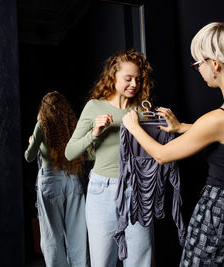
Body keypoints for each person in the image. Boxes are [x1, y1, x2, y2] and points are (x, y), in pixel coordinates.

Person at [122, 22, 224, 266]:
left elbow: (161, 155)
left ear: (214, 64)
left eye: (197, 64)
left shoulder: (219, 118)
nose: (199, 70)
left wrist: (133, 127)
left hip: (220, 213)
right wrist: (182, 127)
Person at [65, 49, 154, 267]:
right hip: (102, 191)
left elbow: (153, 153)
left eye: (138, 79)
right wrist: (94, 132)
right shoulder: (94, 107)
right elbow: (70, 153)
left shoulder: (143, 111)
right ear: (113, 76)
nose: (134, 83)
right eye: (128, 78)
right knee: (102, 262)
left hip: (137, 191)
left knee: (140, 261)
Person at [24, 91, 88, 267]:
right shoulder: (71, 125)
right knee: (78, 235)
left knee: (52, 236)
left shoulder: (42, 125)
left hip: (50, 181)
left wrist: (32, 143)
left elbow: (29, 157)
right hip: (72, 178)